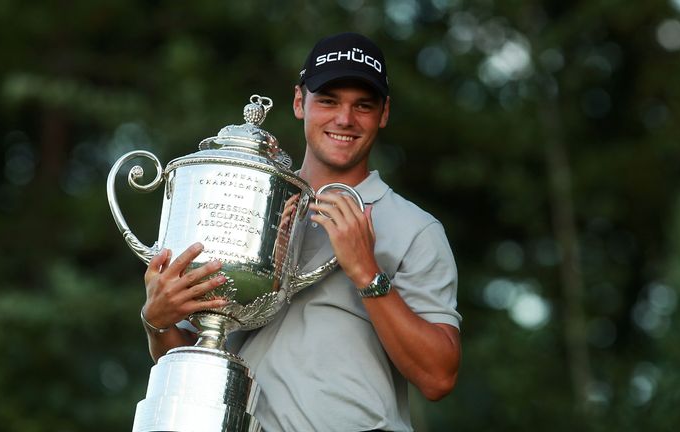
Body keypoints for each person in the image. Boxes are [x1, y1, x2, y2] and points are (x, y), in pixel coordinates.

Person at [140, 32, 462, 431]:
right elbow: (196, 355)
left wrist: (366, 271)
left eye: (363, 105)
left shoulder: (416, 229)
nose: (345, 119)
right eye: (328, 101)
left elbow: (438, 377)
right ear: (299, 102)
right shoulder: (247, 205)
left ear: (384, 113)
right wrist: (158, 322)